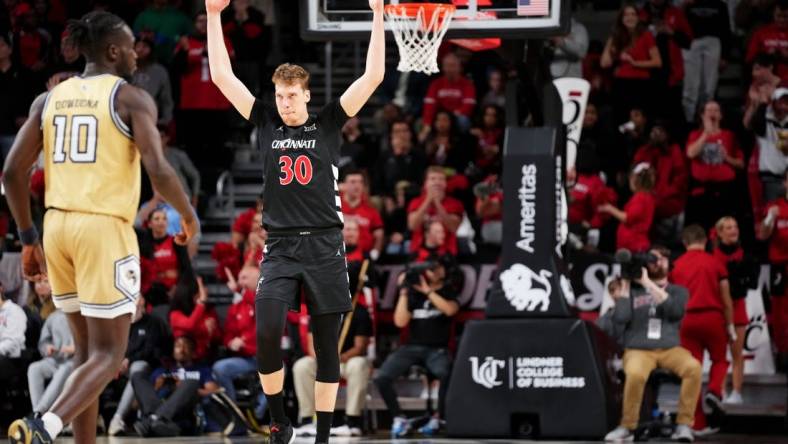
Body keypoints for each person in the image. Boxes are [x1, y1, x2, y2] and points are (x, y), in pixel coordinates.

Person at [3, 11, 198, 444]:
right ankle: (45, 425)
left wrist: (28, 237)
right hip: (103, 230)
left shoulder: (47, 100)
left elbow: (12, 173)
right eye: (129, 47)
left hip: (56, 228)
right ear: (113, 51)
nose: (134, 54)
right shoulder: (130, 98)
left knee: (87, 355)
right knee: (110, 356)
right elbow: (160, 171)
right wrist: (188, 215)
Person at [206, 0, 385, 441]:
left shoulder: (328, 122)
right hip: (281, 246)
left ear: (306, 94)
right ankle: (280, 420)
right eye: (280, 96)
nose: (285, 103)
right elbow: (222, 77)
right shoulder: (266, 121)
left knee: (327, 349)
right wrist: (213, 16)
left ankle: (322, 434)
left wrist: (379, 15)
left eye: (292, 96)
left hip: (325, 245)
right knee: (267, 334)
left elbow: (373, 76)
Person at [603, 247, 699, 443]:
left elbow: (674, 312)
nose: (657, 262)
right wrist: (627, 286)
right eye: (653, 258)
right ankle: (627, 426)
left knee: (693, 368)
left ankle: (683, 424)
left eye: (662, 259)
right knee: (636, 373)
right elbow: (621, 318)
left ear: (669, 264)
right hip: (638, 349)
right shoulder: (632, 290)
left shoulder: (679, 291)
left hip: (670, 349)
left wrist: (648, 283)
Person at [374, 260, 459, 437]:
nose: (433, 273)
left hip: (437, 349)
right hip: (412, 347)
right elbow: (400, 322)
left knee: (446, 373)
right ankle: (399, 418)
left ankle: (439, 417)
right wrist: (404, 292)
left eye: (436, 269)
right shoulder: (413, 294)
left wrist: (428, 292)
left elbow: (450, 310)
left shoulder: (447, 289)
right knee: (382, 377)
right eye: (430, 270)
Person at [670, 225, 734, 435]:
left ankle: (697, 424)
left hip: (687, 321)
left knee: (691, 372)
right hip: (712, 318)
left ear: (684, 242)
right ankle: (715, 391)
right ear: (705, 241)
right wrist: (731, 325)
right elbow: (726, 299)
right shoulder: (715, 262)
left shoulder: (676, 266)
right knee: (720, 360)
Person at [293, 304, 373, 437]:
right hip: (323, 361)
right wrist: (324, 359)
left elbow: (360, 347)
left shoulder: (359, 311)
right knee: (302, 365)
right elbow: (311, 344)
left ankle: (352, 420)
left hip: (346, 361)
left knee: (359, 365)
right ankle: (307, 419)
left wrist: (339, 358)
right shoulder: (318, 310)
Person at [108, 294, 172, 436]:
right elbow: (112, 346)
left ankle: (118, 418)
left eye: (136, 297)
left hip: (146, 366)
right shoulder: (119, 322)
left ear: (142, 301)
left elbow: (150, 350)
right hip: (120, 365)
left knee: (136, 372)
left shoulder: (153, 322)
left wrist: (128, 359)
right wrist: (116, 361)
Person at [132, 336, 220, 437]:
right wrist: (156, 387)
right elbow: (135, 405)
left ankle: (152, 421)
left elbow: (214, 391)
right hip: (158, 406)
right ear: (173, 351)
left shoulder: (202, 370)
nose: (181, 350)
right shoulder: (161, 371)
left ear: (193, 353)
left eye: (186, 347)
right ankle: (156, 420)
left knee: (191, 382)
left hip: (182, 413)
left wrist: (183, 387)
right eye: (178, 346)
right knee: (137, 375)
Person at [712, 216, 757, 405]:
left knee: (737, 353)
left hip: (738, 308)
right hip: (719, 310)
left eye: (735, 226)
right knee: (720, 355)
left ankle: (737, 392)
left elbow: (751, 283)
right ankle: (720, 391)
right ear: (720, 232)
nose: (734, 230)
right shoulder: (712, 256)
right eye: (729, 227)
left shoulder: (746, 255)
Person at [685, 100, 744, 230]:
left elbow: (741, 164)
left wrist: (727, 157)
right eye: (709, 110)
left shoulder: (730, 135)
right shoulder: (695, 135)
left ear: (721, 115)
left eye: (716, 110)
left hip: (725, 191)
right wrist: (706, 134)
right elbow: (691, 153)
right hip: (701, 192)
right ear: (702, 115)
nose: (712, 113)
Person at [601, 3, 662, 125]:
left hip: (641, 84)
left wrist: (635, 63)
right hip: (621, 83)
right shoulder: (618, 37)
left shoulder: (646, 35)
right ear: (621, 19)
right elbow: (604, 63)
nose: (630, 17)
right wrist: (612, 39)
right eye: (626, 15)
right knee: (621, 119)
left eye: (633, 14)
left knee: (639, 120)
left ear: (638, 17)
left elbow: (657, 62)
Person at [632, 122, 687, 247]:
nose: (657, 135)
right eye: (654, 132)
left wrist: (663, 194)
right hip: (647, 206)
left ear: (667, 134)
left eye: (660, 132)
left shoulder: (674, 151)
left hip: (670, 206)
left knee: (671, 245)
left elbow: (681, 178)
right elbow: (636, 173)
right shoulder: (644, 151)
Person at [212, 264, 259, 402]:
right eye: (239, 278)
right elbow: (228, 334)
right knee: (219, 368)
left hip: (267, 358)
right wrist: (231, 343)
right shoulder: (236, 308)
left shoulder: (267, 299)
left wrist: (239, 290)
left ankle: (259, 412)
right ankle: (234, 409)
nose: (241, 282)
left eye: (244, 278)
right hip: (246, 359)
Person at [682, 0, 731, 123]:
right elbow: (679, 25)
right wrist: (684, 7)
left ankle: (705, 121)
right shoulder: (688, 3)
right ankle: (688, 122)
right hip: (691, 42)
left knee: (709, 88)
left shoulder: (720, 5)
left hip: (713, 41)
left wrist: (725, 55)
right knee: (690, 88)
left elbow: (726, 30)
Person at [759, 169, 788, 359]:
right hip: (780, 266)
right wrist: (770, 218)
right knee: (780, 310)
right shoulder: (774, 206)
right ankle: (783, 352)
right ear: (785, 183)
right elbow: (763, 235)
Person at [743, 86, 788, 203]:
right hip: (770, 178)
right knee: (771, 213)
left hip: (786, 177)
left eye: (786, 103)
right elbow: (754, 125)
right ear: (773, 103)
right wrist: (762, 102)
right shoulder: (764, 121)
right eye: (780, 102)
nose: (783, 106)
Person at [598, 163, 657, 253]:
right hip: (631, 245)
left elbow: (627, 218)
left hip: (633, 246)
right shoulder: (647, 197)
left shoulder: (641, 198)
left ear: (635, 180)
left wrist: (609, 208)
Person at [407, 167, 464, 256]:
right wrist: (428, 201)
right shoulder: (415, 202)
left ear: (445, 183)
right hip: (418, 252)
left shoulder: (455, 203)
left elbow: (453, 228)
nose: (437, 182)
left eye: (441, 179)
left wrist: (437, 203)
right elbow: (413, 226)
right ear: (426, 183)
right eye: (433, 179)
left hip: (446, 252)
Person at [27, 308, 74, 414]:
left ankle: (40, 411)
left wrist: (76, 348)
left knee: (66, 368)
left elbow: (95, 343)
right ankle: (37, 413)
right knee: (34, 368)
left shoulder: (84, 315)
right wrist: (47, 347)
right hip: (55, 359)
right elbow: (43, 341)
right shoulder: (54, 316)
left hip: (76, 361)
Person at [420, 52, 476, 133]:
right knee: (421, 123)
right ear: (443, 67)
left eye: (453, 66)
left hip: (456, 116)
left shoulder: (467, 84)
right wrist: (427, 123)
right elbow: (429, 105)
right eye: (447, 66)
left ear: (460, 67)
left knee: (463, 120)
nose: (450, 69)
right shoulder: (436, 83)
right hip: (439, 117)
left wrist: (451, 116)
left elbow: (468, 105)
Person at [170, 277, 222, 363]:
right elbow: (190, 325)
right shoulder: (175, 314)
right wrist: (204, 328)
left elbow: (218, 336)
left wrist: (212, 331)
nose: (203, 297)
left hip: (207, 356)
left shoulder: (208, 311)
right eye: (199, 295)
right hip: (185, 359)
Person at [131, 36, 174, 127]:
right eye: (138, 46)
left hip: (150, 118)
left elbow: (166, 99)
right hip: (126, 116)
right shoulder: (125, 69)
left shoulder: (159, 71)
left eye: (145, 47)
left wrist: (166, 120)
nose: (140, 50)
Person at [340, 170, 384, 258]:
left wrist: (375, 252)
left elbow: (379, 235)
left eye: (360, 182)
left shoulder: (371, 209)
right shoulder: (334, 205)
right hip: (337, 256)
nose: (357, 186)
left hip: (362, 259)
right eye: (353, 182)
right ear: (343, 185)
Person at [746, 0, 788, 82]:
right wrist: (766, 56)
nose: (782, 20)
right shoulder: (761, 32)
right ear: (773, 14)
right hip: (764, 83)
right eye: (779, 16)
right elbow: (749, 59)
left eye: (785, 16)